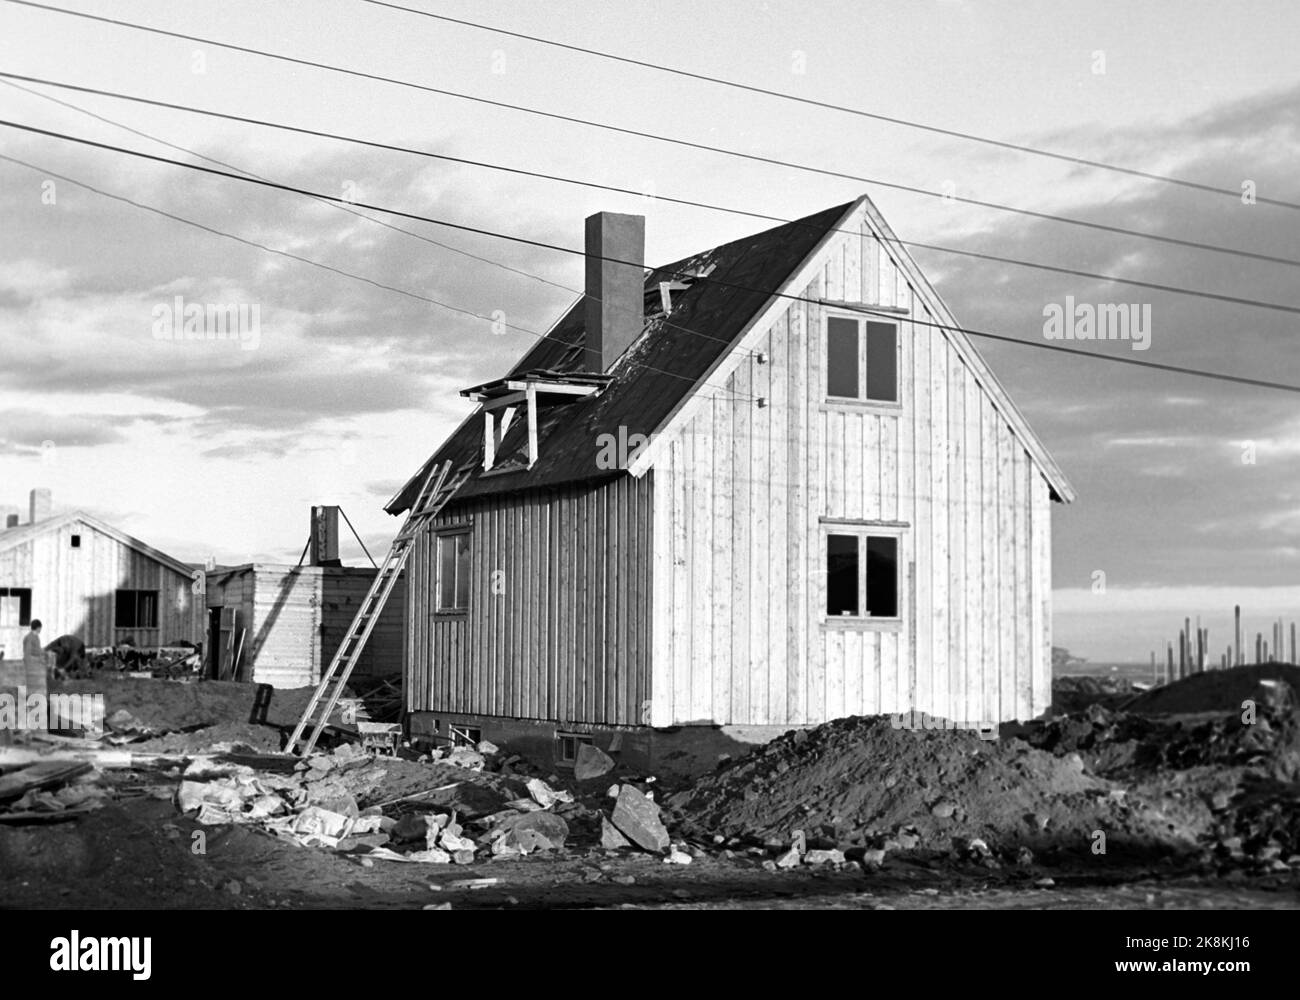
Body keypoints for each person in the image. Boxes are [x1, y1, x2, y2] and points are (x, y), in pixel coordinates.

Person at [23, 618, 48, 701]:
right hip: (32, 667)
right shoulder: (29, 638)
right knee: (32, 689)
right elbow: (27, 654)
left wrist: (44, 652)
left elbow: (37, 649)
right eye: (40, 627)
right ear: (37, 628)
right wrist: (38, 660)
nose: (41, 629)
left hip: (37, 666)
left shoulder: (36, 637)